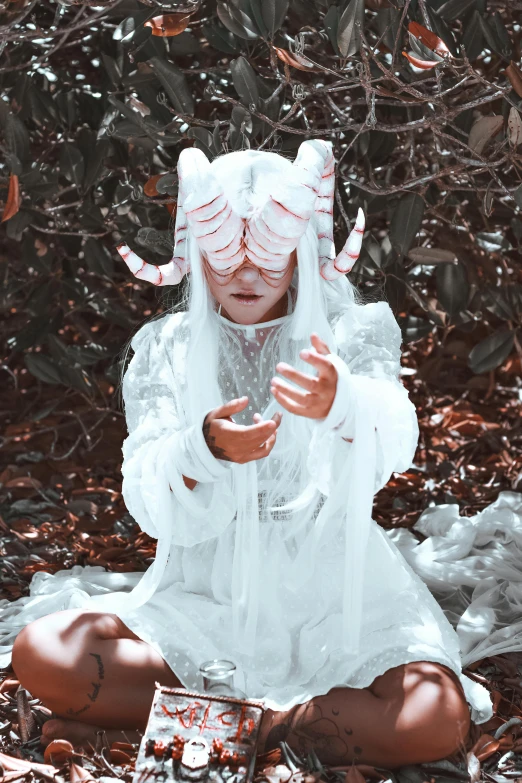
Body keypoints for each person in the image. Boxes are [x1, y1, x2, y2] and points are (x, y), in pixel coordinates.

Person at [1, 140, 493, 768]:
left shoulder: (351, 331)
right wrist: (200, 450)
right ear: (199, 256)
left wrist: (343, 404)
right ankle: (256, 725)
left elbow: (396, 437)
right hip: (207, 599)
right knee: (43, 654)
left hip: (338, 599)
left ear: (300, 254)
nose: (245, 277)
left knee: (434, 719)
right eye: (224, 259)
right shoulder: (168, 346)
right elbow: (145, 490)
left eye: (268, 257)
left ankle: (210, 729)